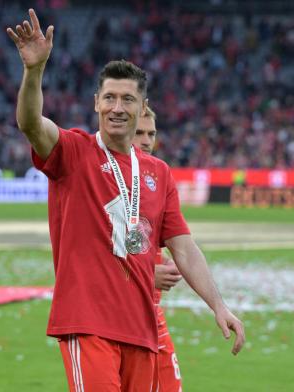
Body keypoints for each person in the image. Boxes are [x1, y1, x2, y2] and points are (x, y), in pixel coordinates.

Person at [7, 9, 245, 391]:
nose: (118, 107)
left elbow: (184, 248)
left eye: (128, 100)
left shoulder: (158, 172)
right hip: (88, 324)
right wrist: (33, 71)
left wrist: (218, 305)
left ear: (141, 106)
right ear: (96, 103)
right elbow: (31, 123)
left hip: (142, 328)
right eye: (110, 98)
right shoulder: (73, 150)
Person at [134, 106, 183, 392]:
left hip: (153, 315)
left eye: (151, 133)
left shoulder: (159, 175)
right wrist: (146, 273)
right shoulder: (105, 179)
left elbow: (180, 243)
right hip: (120, 319)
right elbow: (95, 251)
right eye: (139, 133)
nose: (147, 140)